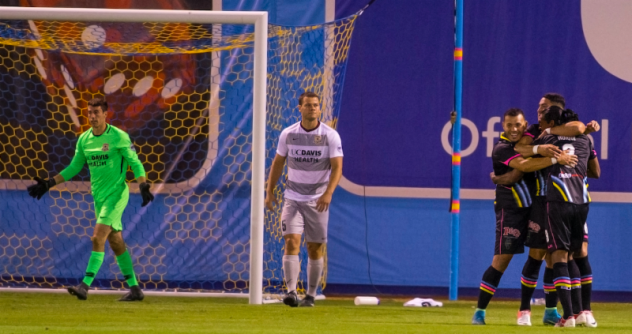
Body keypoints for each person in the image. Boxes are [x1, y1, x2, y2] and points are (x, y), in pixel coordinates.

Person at [27, 97, 154, 301]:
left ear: (106, 114)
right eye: (89, 113)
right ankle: (135, 290)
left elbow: (135, 163)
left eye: (96, 113)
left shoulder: (119, 136)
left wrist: (143, 184)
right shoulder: (84, 139)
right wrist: (49, 183)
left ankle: (84, 286)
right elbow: (74, 167)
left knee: (97, 237)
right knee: (115, 240)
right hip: (99, 197)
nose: (92, 117)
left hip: (116, 194)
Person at [492, 93, 599, 326]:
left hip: (556, 200)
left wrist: (550, 142)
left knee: (568, 254)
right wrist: (545, 152)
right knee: (540, 255)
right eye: (539, 108)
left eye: (543, 109)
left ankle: (569, 312)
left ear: (555, 113)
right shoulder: (536, 131)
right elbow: (521, 151)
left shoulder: (562, 130)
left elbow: (579, 129)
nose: (538, 112)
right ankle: (527, 311)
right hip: (553, 201)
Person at [472, 108, 577, 325]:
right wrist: (557, 158)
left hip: (535, 208)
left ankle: (548, 312)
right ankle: (480, 312)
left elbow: (524, 165)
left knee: (545, 257)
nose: (513, 129)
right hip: (510, 210)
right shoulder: (501, 148)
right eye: (509, 125)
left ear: (524, 124)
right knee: (501, 261)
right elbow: (524, 165)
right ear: (502, 126)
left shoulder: (530, 140)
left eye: (518, 125)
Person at [265, 92, 343, 307]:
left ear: (320, 108)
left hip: (318, 200)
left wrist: (328, 193)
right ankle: (291, 293)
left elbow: (337, 167)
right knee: (291, 242)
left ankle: (310, 295)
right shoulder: (288, 134)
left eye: (316, 105)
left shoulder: (330, 135)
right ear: (299, 108)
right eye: (308, 105)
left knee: (314, 248)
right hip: (292, 198)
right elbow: (278, 162)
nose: (312, 109)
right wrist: (269, 190)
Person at [536, 106, 596, 327]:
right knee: (575, 255)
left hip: (559, 200)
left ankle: (568, 316)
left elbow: (526, 155)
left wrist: (542, 147)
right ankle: (582, 312)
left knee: (559, 257)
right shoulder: (586, 140)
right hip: (582, 202)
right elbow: (596, 171)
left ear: (552, 122)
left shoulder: (548, 138)